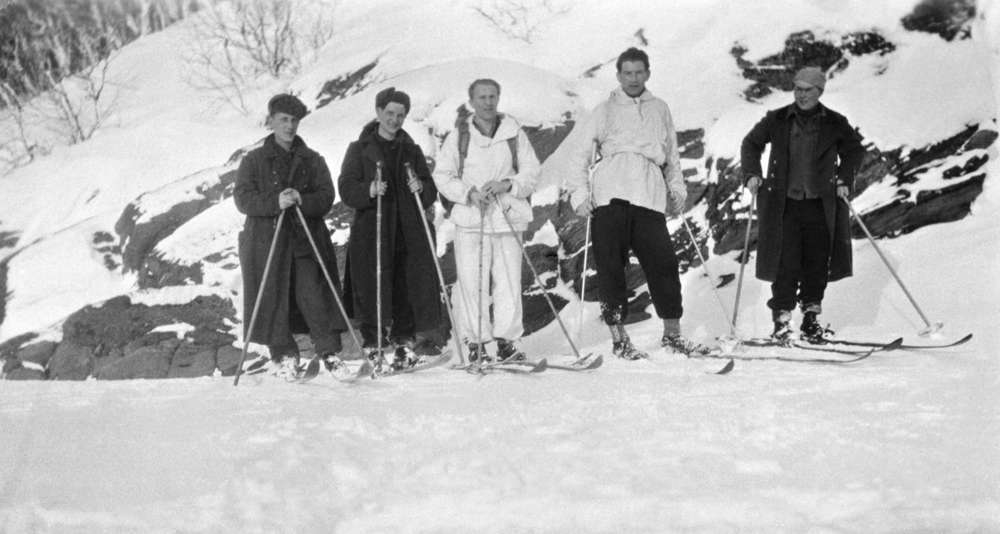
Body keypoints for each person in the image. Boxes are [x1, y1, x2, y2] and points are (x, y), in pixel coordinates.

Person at [565, 47, 707, 360]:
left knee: (665, 266)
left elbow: (671, 156)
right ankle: (620, 339)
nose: (633, 78)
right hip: (611, 195)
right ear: (618, 76)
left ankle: (672, 335)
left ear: (647, 74)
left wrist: (677, 190)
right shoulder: (604, 110)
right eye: (627, 73)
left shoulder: (660, 108)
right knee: (611, 269)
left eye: (638, 72)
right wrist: (579, 195)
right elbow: (578, 154)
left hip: (650, 197)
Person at [741, 66, 864, 343]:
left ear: (819, 91)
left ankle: (810, 320)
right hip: (784, 205)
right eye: (798, 88)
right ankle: (782, 322)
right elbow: (751, 144)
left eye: (808, 90)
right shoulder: (778, 119)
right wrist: (752, 174)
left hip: (821, 204)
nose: (801, 94)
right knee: (785, 263)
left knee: (817, 262)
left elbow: (854, 150)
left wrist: (844, 179)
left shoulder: (834, 122)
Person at [234, 93, 347, 379]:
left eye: (294, 120)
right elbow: (243, 199)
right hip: (268, 242)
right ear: (270, 121)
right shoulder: (254, 160)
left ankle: (330, 355)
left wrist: (301, 198)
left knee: (315, 295)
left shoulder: (312, 159)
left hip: (304, 241)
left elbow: (325, 196)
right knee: (273, 298)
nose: (289, 126)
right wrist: (275, 201)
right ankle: (284, 358)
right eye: (283, 119)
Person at [433, 79, 541, 363]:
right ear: (471, 101)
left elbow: (531, 171)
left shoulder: (513, 133)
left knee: (508, 282)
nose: (488, 102)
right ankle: (476, 343)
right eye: (482, 97)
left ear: (499, 98)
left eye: (492, 96)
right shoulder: (459, 136)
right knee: (471, 281)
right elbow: (443, 175)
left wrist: (508, 184)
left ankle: (507, 342)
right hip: (472, 218)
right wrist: (468, 193)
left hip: (507, 217)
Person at [338, 87, 441, 370]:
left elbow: (429, 188)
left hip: (408, 231)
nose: (395, 120)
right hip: (373, 231)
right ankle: (374, 344)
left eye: (400, 115)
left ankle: (403, 344)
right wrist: (369, 189)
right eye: (390, 113)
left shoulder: (411, 150)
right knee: (372, 286)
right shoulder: (359, 150)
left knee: (406, 286)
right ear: (379, 112)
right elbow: (346, 188)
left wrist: (421, 187)